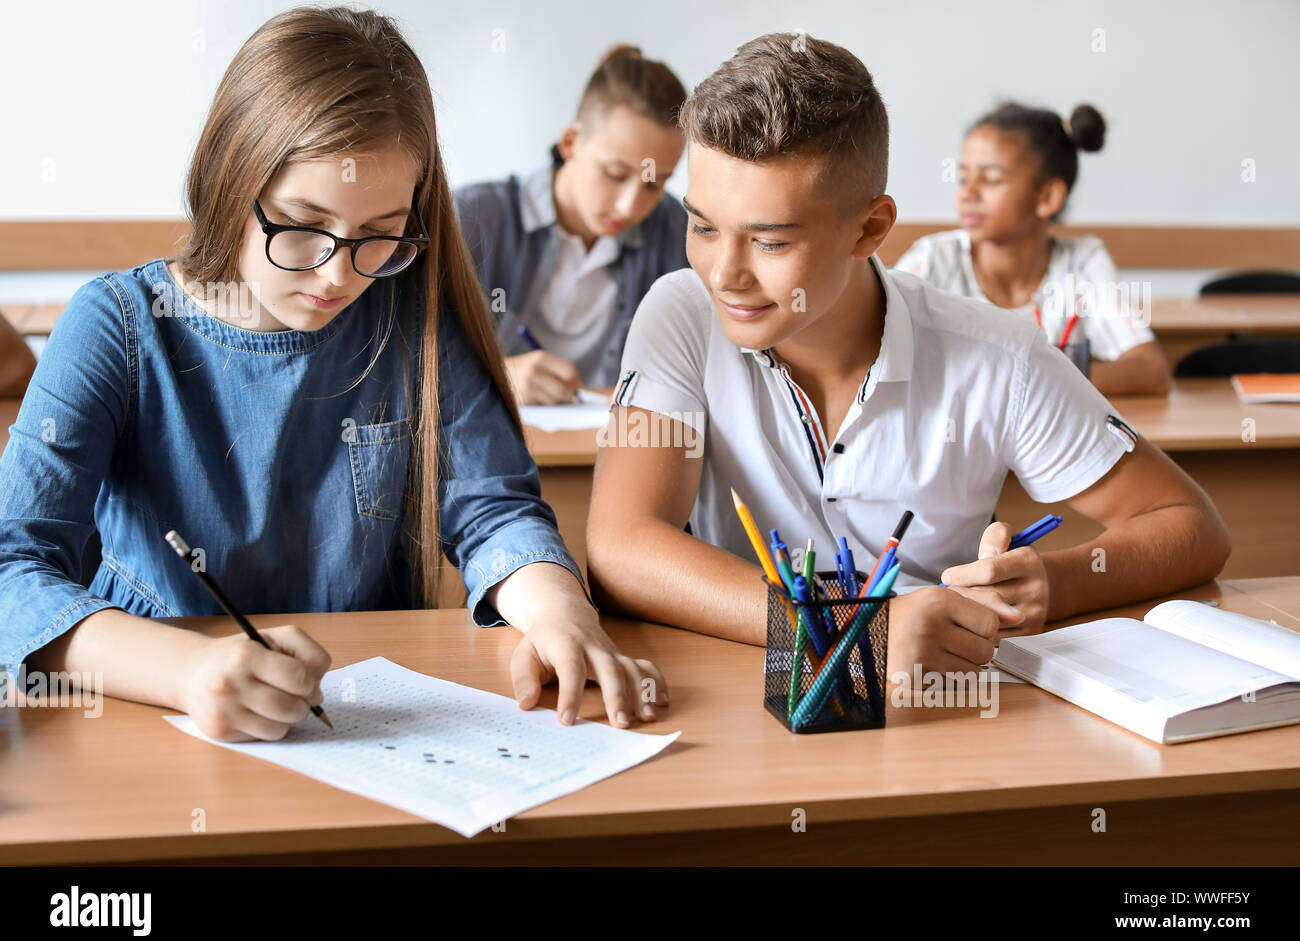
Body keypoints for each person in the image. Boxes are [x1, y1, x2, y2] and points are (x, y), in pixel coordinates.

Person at [0, 6, 667, 741]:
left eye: (380, 236)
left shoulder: (407, 320)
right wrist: (185, 672)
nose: (338, 274)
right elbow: (11, 567)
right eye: (303, 224)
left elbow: (494, 511)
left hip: (364, 725)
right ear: (231, 173)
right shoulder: (117, 326)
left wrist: (556, 611)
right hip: (151, 719)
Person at [586, 34, 1229, 683]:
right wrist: (853, 629)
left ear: (870, 228)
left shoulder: (999, 354)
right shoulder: (679, 313)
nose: (724, 274)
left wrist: (1052, 582)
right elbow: (621, 549)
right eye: (702, 226)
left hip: (942, 702)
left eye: (770, 242)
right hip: (753, 689)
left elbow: (1192, 526)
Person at [454, 45, 689, 404]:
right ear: (570, 142)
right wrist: (497, 377)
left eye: (654, 185)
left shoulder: (675, 230)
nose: (629, 206)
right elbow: (408, 363)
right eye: (615, 174)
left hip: (610, 447)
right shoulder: (471, 218)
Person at [895, 102, 1170, 397]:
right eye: (963, 178)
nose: (967, 193)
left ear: (1048, 197)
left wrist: (1018, 384)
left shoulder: (1082, 262)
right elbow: (872, 351)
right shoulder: (933, 258)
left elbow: (1150, 371)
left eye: (991, 180)